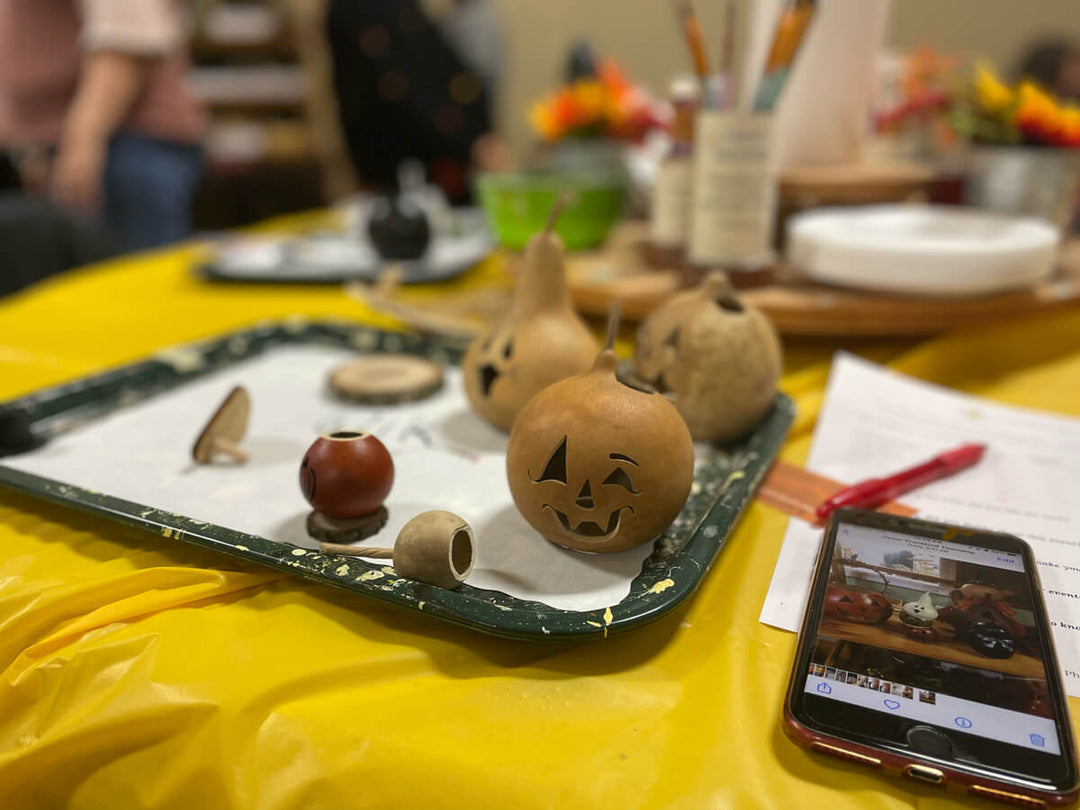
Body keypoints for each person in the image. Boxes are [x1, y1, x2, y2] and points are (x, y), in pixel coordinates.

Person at [0, 0, 205, 251]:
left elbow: (125, 42)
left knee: (130, 279)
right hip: (76, 152)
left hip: (122, 149)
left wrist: (82, 142)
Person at [326, 0, 506, 205]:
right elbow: (406, 81)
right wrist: (470, 141)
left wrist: (478, 135)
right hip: (406, 169)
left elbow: (440, 67)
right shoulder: (366, 10)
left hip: (443, 160)